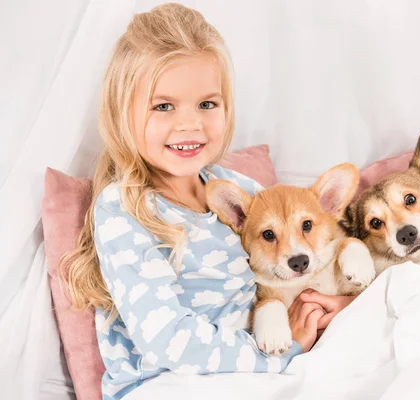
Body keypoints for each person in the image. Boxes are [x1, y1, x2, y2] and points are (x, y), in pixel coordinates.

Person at [61, 4, 355, 399]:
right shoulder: (124, 208)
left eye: (207, 104)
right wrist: (279, 357)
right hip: (171, 382)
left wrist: (332, 303)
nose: (190, 124)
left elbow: (286, 272)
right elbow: (167, 341)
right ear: (122, 112)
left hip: (255, 367)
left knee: (409, 300)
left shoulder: (234, 186)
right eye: (163, 106)